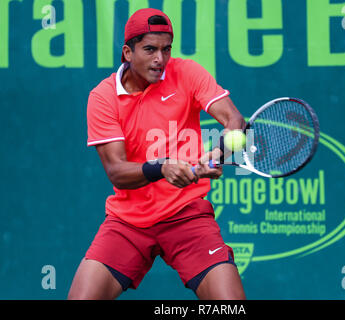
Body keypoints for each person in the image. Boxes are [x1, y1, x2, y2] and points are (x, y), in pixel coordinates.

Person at [68, 8, 246, 300]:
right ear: (128, 52)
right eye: (150, 49)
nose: (160, 59)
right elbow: (117, 172)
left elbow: (235, 122)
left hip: (186, 215)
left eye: (166, 50)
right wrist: (161, 168)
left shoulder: (187, 72)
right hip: (128, 222)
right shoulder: (102, 97)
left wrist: (218, 153)